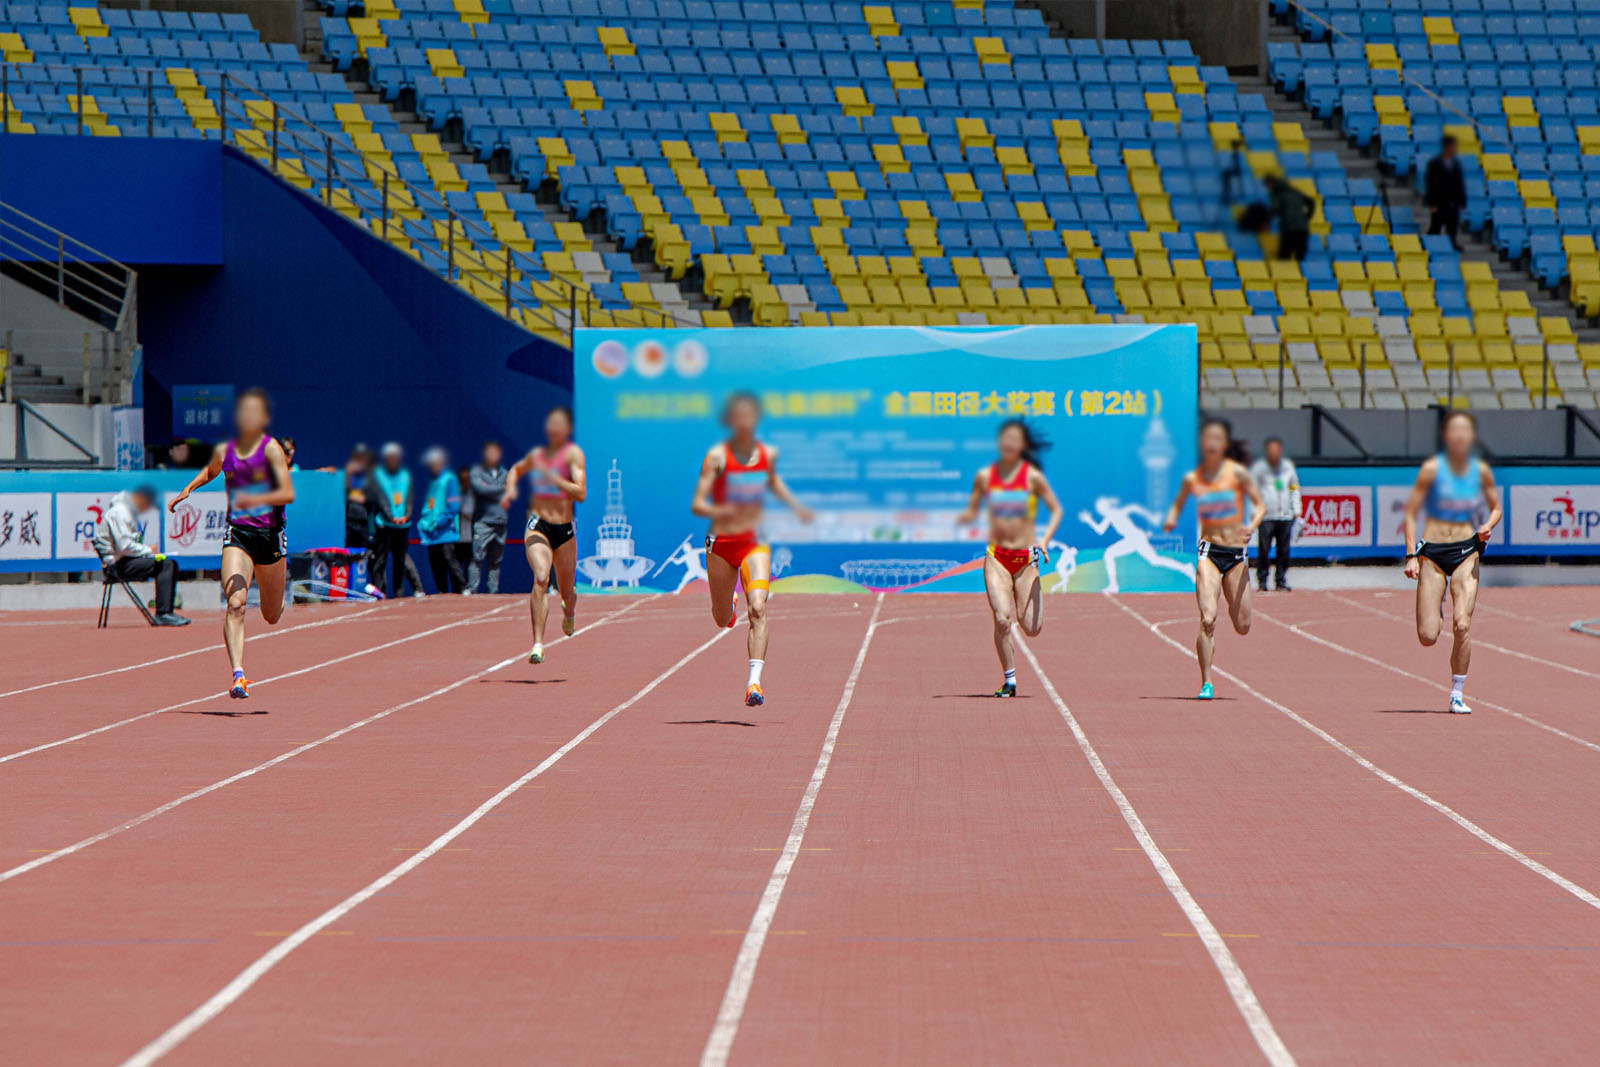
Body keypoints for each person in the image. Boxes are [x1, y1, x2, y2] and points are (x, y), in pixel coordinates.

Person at [690, 391, 814, 706]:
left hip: (754, 542)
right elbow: (699, 502)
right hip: (721, 544)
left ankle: (754, 684)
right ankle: (728, 606)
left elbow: (775, 485)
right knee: (721, 619)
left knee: (758, 607)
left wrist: (796, 507)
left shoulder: (766, 455)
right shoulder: (716, 456)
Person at [169, 388, 294, 698]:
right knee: (235, 603)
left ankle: (277, 594)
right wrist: (189, 488)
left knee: (271, 615)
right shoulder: (226, 449)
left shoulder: (271, 450)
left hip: (269, 537)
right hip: (238, 533)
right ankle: (239, 675)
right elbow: (212, 470)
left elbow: (286, 493)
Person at [1400, 411, 1502, 714]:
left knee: (1462, 624)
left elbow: (1496, 508)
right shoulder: (1431, 469)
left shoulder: (1480, 470)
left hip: (1466, 551)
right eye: (1454, 431)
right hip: (1432, 554)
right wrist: (1411, 555)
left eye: (1465, 431)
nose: (1460, 437)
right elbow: (1410, 513)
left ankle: (1457, 693)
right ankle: (1437, 597)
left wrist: (1487, 526)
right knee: (1428, 636)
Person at [956, 419, 1065, 697]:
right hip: (997, 557)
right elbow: (973, 508)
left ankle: (1026, 598)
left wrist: (1044, 541)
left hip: (1026, 560)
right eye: (1006, 439)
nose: (1009, 444)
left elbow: (1056, 510)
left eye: (1015, 439)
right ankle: (1010, 679)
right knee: (1002, 619)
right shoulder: (985, 476)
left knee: (1032, 628)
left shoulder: (1032, 477)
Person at [1161, 418, 1263, 700]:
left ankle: (1232, 600)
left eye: (1217, 439)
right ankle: (1206, 681)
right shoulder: (1195, 477)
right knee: (1207, 619)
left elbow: (1260, 506)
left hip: (1236, 556)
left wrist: (1252, 526)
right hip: (1209, 553)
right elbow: (1179, 502)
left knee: (1243, 626)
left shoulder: (1239, 474)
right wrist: (1171, 519)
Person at [502, 407, 586, 663]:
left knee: (567, 591)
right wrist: (509, 489)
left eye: (560, 424)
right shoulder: (537, 455)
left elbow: (580, 493)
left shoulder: (573, 455)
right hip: (538, 526)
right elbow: (516, 469)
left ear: (568, 429)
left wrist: (556, 480)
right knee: (541, 577)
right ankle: (537, 644)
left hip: (564, 530)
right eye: (551, 424)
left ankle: (569, 611)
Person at [93, 484, 190, 626]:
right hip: (117, 566)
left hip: (125, 561)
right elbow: (124, 546)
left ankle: (166, 612)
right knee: (167, 565)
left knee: (170, 564)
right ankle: (163, 613)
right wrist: (149, 551)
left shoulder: (125, 513)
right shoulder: (119, 513)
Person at [368, 443, 425, 598]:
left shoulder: (405, 475)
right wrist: (390, 517)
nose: (393, 460)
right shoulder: (378, 474)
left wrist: (407, 515)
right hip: (384, 525)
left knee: (400, 561)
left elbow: (409, 499)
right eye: (390, 457)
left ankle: (399, 592)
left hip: (402, 526)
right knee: (380, 560)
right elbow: (380, 499)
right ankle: (380, 592)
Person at [1249, 436, 1301, 592]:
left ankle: (1280, 580)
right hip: (1266, 516)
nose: (1274, 453)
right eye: (1271, 451)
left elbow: (1294, 488)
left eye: (1276, 450)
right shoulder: (1259, 468)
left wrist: (1296, 509)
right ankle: (1262, 580)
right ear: (1267, 451)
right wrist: (1254, 512)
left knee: (1283, 550)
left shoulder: (1287, 467)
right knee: (1264, 549)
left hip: (1285, 515)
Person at [419, 446, 465, 594]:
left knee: (450, 561)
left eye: (434, 463)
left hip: (446, 532)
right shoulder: (434, 481)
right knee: (436, 565)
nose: (432, 466)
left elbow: (453, 507)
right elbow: (430, 505)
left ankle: (463, 589)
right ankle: (442, 592)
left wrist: (438, 522)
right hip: (432, 534)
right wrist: (426, 523)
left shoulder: (450, 479)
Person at [467, 441, 508, 594]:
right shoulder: (477, 471)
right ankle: (472, 590)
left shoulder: (504, 472)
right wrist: (500, 488)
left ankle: (493, 593)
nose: (493, 455)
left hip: (501, 521)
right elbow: (480, 489)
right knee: (477, 557)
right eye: (490, 452)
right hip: (483, 521)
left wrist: (490, 489)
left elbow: (509, 490)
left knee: (496, 561)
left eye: (496, 452)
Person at [1425, 134, 1467, 245]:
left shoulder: (1456, 164)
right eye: (1453, 146)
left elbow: (1460, 183)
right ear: (1446, 147)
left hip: (1453, 202)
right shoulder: (1434, 164)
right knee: (1436, 227)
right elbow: (1430, 185)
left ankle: (1452, 245)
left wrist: (1462, 201)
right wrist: (1432, 203)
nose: (1455, 149)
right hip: (1439, 202)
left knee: (1452, 227)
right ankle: (1430, 245)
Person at [1263, 174, 1314, 262]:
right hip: (1302, 229)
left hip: (1289, 228)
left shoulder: (1277, 193)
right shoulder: (1295, 191)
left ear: (1270, 184)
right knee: (1300, 258)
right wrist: (1307, 217)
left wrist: (1265, 219)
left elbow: (1275, 209)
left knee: (1284, 258)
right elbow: (1311, 202)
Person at [455, 466, 475, 590]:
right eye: (462, 479)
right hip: (455, 537)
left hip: (470, 537)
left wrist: (460, 509)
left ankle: (468, 590)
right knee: (455, 566)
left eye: (467, 479)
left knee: (470, 566)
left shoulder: (473, 495)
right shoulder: (455, 493)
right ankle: (457, 591)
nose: (465, 482)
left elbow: (470, 512)